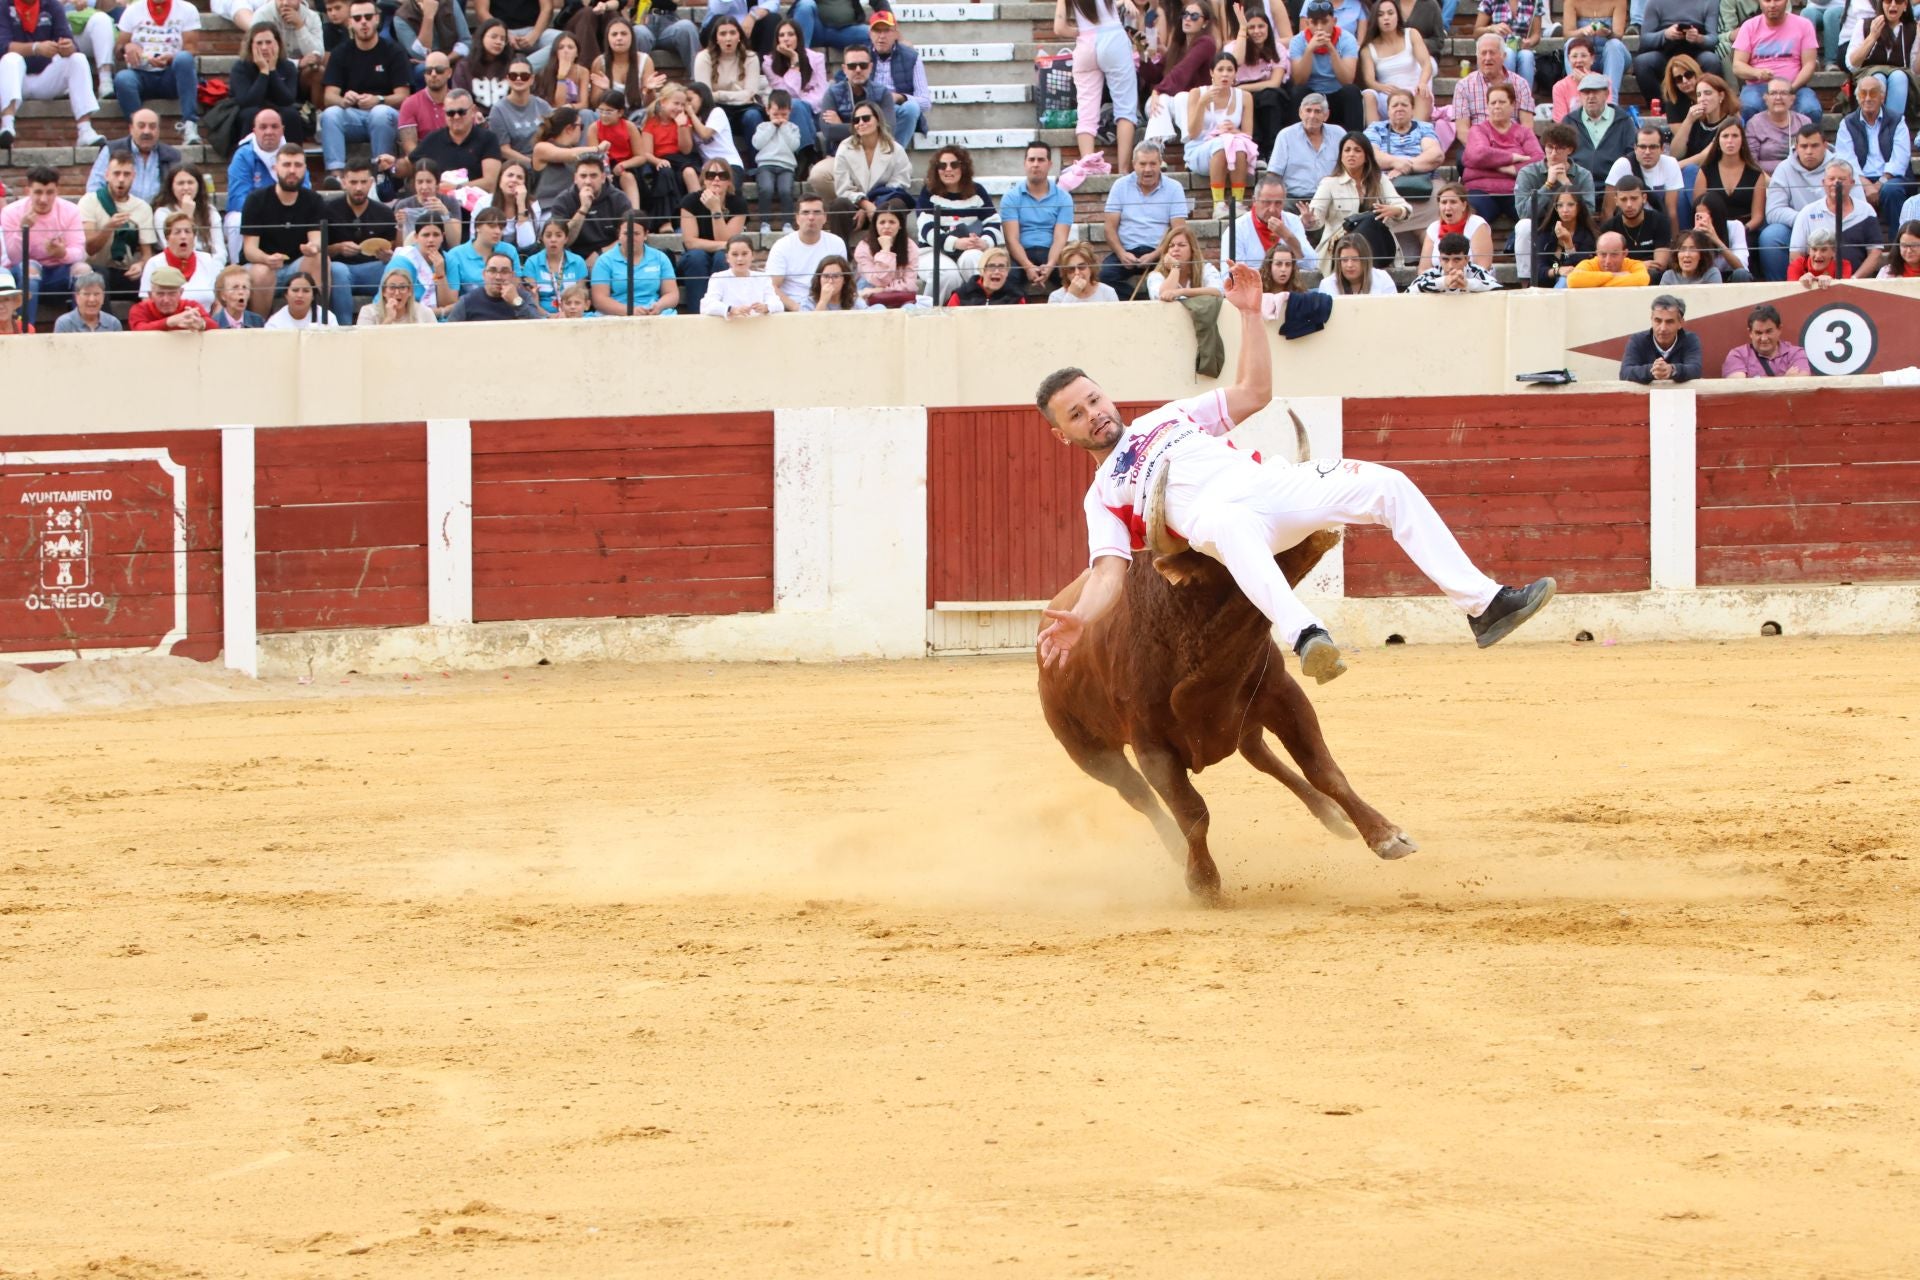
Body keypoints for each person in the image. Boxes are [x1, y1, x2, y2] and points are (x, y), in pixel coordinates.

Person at [1035, 262, 1555, 684]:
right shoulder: (1101, 494)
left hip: (1274, 486)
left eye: (1094, 399)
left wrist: (1249, 314)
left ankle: (1484, 605)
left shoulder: (1167, 415)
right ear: (1063, 434)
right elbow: (1108, 574)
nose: (1095, 414)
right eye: (1076, 414)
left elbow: (1254, 393)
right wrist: (1083, 616)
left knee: (1386, 485)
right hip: (1219, 523)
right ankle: (1307, 636)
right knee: (1229, 524)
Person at [241, 143, 355, 324]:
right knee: (262, 272)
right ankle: (259, 327)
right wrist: (266, 259)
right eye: (286, 165)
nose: (292, 170)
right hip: (262, 267)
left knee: (320, 258)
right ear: (275, 167)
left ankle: (317, 322)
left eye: (297, 165)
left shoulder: (313, 200)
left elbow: (316, 240)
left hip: (296, 267)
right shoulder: (256, 199)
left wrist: (312, 248)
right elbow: (249, 249)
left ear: (305, 169)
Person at [1758, 122, 1868, 278]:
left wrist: (1826, 219)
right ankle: (1783, 288)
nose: (1809, 151)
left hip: (1837, 225)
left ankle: (1844, 284)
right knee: (1771, 235)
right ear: (1796, 147)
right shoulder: (1784, 169)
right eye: (1804, 146)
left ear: (1825, 145)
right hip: (1796, 225)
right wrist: (1806, 219)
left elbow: (1858, 205)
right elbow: (1773, 211)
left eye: (1814, 146)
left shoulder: (1842, 167)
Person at [319, 0, 409, 185]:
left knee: (379, 113)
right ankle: (336, 176)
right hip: (354, 115)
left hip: (385, 114)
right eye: (358, 18)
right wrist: (343, 100)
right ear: (350, 22)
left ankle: (380, 175)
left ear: (377, 19)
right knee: (330, 114)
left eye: (368, 17)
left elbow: (403, 96)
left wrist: (380, 99)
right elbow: (329, 96)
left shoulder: (393, 52)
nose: (363, 22)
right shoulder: (341, 52)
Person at [0, 0, 108, 150]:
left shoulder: (52, 5)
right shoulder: (3, 5)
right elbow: (3, 46)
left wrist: (67, 47)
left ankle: (85, 130)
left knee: (78, 59)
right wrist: (36, 48)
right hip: (16, 80)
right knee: (10, 59)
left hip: (46, 79)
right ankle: (7, 126)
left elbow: (69, 42)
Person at [814, 96, 912, 238]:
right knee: (838, 205)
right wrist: (865, 205)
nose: (860, 123)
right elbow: (843, 187)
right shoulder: (845, 147)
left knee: (897, 203)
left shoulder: (895, 149)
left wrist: (875, 205)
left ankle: (895, 253)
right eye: (856, 120)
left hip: (884, 206)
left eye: (866, 118)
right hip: (856, 207)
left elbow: (900, 183)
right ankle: (841, 256)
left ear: (878, 120)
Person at [1100, 141, 1190, 297]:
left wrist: (1155, 254)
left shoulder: (1174, 188)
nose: (1148, 169)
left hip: (1161, 251)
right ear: (1134, 164)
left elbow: (1178, 231)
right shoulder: (1120, 186)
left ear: (1160, 163)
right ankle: (1138, 302)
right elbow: (1109, 228)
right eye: (1142, 164)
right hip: (1127, 251)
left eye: (1153, 164)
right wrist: (1122, 253)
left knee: (1177, 273)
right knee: (1102, 275)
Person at [1, 166, 86, 328]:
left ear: (57, 191)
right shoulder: (11, 212)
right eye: (38, 192)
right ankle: (25, 330)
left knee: (83, 270)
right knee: (30, 268)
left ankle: (83, 331)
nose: (44, 199)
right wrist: (22, 231)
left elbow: (79, 252)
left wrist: (62, 253)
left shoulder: (71, 210)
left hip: (59, 271)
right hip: (23, 272)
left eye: (49, 192)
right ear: (28, 191)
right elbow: (14, 257)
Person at [914, 143, 1002, 300]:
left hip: (968, 247)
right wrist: (955, 243)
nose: (948, 169)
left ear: (963, 167)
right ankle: (932, 316)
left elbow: (994, 222)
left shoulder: (977, 192)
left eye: (954, 164)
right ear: (936, 169)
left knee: (975, 260)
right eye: (942, 165)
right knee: (948, 274)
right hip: (932, 251)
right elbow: (926, 229)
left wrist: (984, 242)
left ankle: (979, 310)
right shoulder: (928, 193)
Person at [1512, 123, 1598, 279]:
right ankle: (1526, 281)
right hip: (1539, 226)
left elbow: (1589, 211)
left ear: (1570, 150)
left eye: (1559, 148)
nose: (1553, 153)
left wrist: (1567, 185)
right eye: (1549, 147)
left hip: (1573, 226)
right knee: (1523, 226)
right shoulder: (1528, 173)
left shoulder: (1583, 175)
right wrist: (1547, 185)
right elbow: (1523, 212)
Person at [1307, 131, 1409, 259]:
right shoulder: (1329, 183)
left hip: (1376, 248)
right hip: (1340, 249)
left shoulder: (1380, 180)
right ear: (1341, 156)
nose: (1351, 154)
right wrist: (1308, 220)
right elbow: (1316, 219)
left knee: (1371, 221)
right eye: (1347, 150)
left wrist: (1396, 210)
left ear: (1366, 156)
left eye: (1357, 150)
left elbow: (1404, 207)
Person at [113, 0, 201, 146]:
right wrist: (127, 47)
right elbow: (117, 51)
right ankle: (138, 131)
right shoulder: (133, 10)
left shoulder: (187, 9)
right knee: (122, 79)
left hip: (171, 75)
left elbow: (191, 50)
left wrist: (172, 58)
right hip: (140, 74)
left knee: (184, 58)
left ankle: (190, 124)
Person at [1833, 75, 1909, 237]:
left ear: (1883, 97)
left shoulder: (1897, 120)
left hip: (1890, 178)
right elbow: (1846, 160)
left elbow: (1900, 158)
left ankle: (1896, 242)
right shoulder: (1847, 123)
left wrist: (1880, 183)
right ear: (1857, 97)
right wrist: (1866, 185)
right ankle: (1859, 244)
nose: (1868, 98)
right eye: (1863, 94)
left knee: (1891, 190)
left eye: (1873, 93)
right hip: (1860, 178)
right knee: (1850, 189)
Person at [78, 149, 156, 306]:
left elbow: (147, 254)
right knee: (101, 276)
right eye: (116, 174)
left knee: (152, 281)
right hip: (94, 269)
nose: (121, 179)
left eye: (126, 174)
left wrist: (140, 265)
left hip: (124, 271)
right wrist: (108, 228)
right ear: (107, 175)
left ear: (133, 176)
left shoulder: (142, 208)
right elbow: (89, 248)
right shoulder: (90, 201)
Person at [1461, 81, 1540, 223]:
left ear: (1512, 105)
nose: (1497, 106)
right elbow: (1479, 154)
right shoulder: (1478, 130)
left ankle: (1511, 245)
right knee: (1474, 219)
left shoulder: (1524, 132)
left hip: (1516, 190)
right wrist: (1515, 157)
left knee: (1531, 218)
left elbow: (1539, 159)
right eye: (1493, 103)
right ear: (1487, 106)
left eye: (1502, 102)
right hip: (1481, 191)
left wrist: (1512, 169)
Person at [225, 109, 297, 263]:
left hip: (289, 213)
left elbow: (304, 192)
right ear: (254, 131)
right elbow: (238, 199)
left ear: (282, 130)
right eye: (263, 127)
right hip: (254, 216)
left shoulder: (294, 154)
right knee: (237, 220)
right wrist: (269, 214)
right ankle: (238, 269)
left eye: (274, 126)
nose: (269, 132)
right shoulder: (243, 155)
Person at [1002, 142, 1074, 294]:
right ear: (1025, 163)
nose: (1035, 164)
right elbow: (1011, 240)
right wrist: (1028, 266)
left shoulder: (1063, 198)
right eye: (1031, 160)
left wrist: (1050, 265)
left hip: (1052, 252)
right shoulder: (1011, 197)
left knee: (1075, 278)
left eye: (1041, 160)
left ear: (1049, 164)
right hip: (1021, 254)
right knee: (1007, 281)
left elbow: (1060, 238)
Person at [1790, 160, 1884, 275]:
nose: (1836, 183)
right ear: (1823, 182)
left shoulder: (1866, 211)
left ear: (1852, 182)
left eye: (1842, 179)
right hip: (1816, 285)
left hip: (1855, 284)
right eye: (1831, 179)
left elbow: (1875, 252)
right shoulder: (1807, 212)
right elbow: (1795, 254)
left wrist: (1853, 280)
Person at [677, 160, 747, 314]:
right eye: (711, 175)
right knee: (697, 257)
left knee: (721, 257)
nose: (716, 179)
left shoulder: (738, 203)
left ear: (729, 181)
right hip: (694, 258)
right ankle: (698, 314)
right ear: (704, 180)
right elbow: (690, 242)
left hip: (720, 256)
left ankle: (725, 310)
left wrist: (715, 209)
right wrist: (721, 245)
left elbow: (729, 242)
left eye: (722, 176)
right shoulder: (690, 201)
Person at [1731, 0, 1819, 120]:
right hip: (1758, 87)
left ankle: (1806, 139)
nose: (1772, 5)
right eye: (1767, 1)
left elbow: (1809, 64)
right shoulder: (1749, 26)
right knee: (1749, 107)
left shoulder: (1804, 25)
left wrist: (1791, 88)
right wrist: (1758, 73)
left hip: (1795, 87)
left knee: (1811, 109)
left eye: (1777, 0)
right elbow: (1737, 66)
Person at [404, 88, 504, 193]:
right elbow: (408, 164)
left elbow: (490, 183)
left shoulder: (488, 139)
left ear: (473, 111)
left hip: (477, 204)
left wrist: (456, 187)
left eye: (461, 112)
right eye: (450, 113)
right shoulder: (433, 139)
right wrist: (393, 167)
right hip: (439, 204)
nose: (456, 117)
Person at [694, 15, 765, 159]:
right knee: (715, 116)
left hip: (743, 110)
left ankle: (757, 164)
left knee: (753, 116)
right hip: (715, 109)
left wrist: (718, 94)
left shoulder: (751, 57)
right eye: (723, 34)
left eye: (732, 33)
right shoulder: (703, 58)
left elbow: (750, 94)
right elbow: (705, 96)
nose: (728, 38)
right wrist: (735, 95)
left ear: (739, 36)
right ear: (716, 38)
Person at [1219, 170, 1316, 274]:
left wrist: (1289, 238)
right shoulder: (1237, 229)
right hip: (1253, 289)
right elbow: (1230, 276)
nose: (1272, 209)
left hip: (1288, 288)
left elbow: (1311, 265)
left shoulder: (1292, 221)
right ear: (1254, 201)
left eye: (1278, 203)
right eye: (1266, 202)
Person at [1288, 0, 1363, 130]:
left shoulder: (1347, 39)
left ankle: (1355, 140)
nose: (1319, 28)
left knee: (1352, 91)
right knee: (1297, 91)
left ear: (1334, 21)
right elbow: (1299, 80)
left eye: (1324, 22)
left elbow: (1347, 80)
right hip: (1311, 96)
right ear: (1307, 23)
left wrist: (1332, 50)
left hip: (1337, 95)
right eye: (1314, 22)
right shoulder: (1297, 41)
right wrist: (1309, 50)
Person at [1692, 118, 1767, 247]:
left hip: (1745, 231)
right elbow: (1699, 210)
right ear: (1718, 142)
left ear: (1742, 140)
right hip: (1712, 230)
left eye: (1735, 136)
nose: (1730, 141)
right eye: (1725, 136)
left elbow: (1758, 217)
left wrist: (1741, 230)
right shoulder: (1706, 171)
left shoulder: (1756, 174)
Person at [767, 191, 847, 310]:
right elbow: (772, 286)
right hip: (793, 304)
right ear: (797, 218)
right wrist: (797, 308)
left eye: (816, 212)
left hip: (829, 302)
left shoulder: (836, 243)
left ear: (825, 218)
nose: (811, 217)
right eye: (805, 212)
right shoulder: (782, 246)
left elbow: (842, 280)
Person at [586, 213, 677, 315]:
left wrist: (659, 306)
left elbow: (672, 294)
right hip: (616, 314)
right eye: (626, 233)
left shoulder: (660, 258)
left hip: (653, 313)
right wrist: (629, 311)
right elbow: (599, 300)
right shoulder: (604, 261)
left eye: (636, 234)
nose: (631, 238)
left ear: (645, 235)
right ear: (619, 235)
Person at [548, 152, 633, 259]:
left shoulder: (619, 199)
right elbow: (562, 241)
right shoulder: (563, 200)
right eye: (583, 176)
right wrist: (583, 209)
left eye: (593, 176)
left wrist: (600, 254)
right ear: (575, 178)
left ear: (603, 178)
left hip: (610, 256)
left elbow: (630, 237)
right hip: (573, 257)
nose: (587, 181)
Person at [84, 108, 179, 204]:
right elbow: (94, 188)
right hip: (117, 213)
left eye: (152, 127)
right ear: (131, 129)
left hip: (157, 214)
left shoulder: (171, 156)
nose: (146, 131)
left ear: (158, 131)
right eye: (141, 126)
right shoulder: (111, 150)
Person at [1633, 0, 1721, 103]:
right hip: (1665, 51)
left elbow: (1713, 39)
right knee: (1642, 62)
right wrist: (1665, 34)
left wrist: (1699, 38)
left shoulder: (1710, 2)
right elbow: (1645, 39)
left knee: (1711, 60)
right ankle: (1662, 107)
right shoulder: (1654, 2)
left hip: (1696, 52)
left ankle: (1704, 104)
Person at [1363, 87, 1441, 201]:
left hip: (1424, 182)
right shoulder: (1376, 128)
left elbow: (1435, 155)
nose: (1399, 108)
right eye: (1395, 105)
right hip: (1384, 183)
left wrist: (1405, 167)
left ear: (1412, 110)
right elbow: (1370, 155)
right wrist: (1396, 162)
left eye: (1404, 105)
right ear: (1388, 111)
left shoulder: (1424, 127)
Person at [1359, 0, 1432, 122]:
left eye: (1390, 13)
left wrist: (1423, 82)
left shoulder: (1412, 34)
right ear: (1375, 20)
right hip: (1387, 96)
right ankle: (1374, 136)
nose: (1386, 18)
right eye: (1380, 15)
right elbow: (1369, 80)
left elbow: (1426, 64)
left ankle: (1416, 133)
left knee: (1423, 94)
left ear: (1398, 16)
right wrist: (1380, 87)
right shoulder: (1368, 49)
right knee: (1368, 94)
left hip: (1414, 92)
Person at [1267, 92, 1345, 201]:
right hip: (1295, 199)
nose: (1312, 116)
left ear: (1326, 115)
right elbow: (1274, 173)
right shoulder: (1286, 135)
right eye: (1308, 110)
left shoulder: (1339, 134)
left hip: (1331, 200)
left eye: (1318, 111)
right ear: (1300, 112)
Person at [816, 44, 891, 158]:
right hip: (840, 156)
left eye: (863, 65)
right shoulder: (832, 93)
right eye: (852, 66)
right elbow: (829, 131)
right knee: (819, 175)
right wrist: (871, 127)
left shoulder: (882, 93)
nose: (858, 70)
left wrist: (841, 125)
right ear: (844, 69)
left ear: (870, 67)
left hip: (875, 155)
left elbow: (888, 128)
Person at [1845, 0, 1916, 120]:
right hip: (1869, 72)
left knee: (1899, 76)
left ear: (1905, 6)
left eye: (1898, 1)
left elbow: (1915, 70)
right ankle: (1875, 123)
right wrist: (1872, 36)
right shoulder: (1865, 24)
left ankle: (1893, 126)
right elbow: (1851, 64)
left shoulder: (1912, 29)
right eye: (1888, 1)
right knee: (1877, 78)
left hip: (1900, 75)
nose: (1893, 5)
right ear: (1881, 4)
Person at [866, 11, 928, 142]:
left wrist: (900, 98)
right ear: (870, 34)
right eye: (877, 31)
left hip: (898, 111)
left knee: (912, 107)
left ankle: (894, 153)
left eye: (887, 31)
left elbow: (925, 102)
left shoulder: (911, 57)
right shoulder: (862, 56)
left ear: (895, 34)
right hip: (870, 110)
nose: (881, 36)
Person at [1453, 30, 1535, 129]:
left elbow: (1527, 126)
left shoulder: (1521, 84)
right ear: (1477, 57)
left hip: (1512, 142)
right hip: (1479, 142)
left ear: (1503, 56)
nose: (1487, 58)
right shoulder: (1463, 86)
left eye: (1492, 53)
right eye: (1483, 53)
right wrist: (1480, 145)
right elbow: (1462, 130)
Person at [761, 22, 824, 151]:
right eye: (781, 35)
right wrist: (794, 61)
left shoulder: (817, 58)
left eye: (791, 34)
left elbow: (822, 92)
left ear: (798, 37)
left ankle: (806, 154)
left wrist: (803, 103)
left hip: (814, 112)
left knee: (798, 106)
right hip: (787, 114)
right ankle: (809, 152)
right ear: (777, 39)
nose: (786, 38)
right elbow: (786, 95)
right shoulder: (769, 63)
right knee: (796, 105)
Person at [1565, 73, 1635, 185]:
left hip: (1614, 186)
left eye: (1595, 91)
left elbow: (1632, 154)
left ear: (1607, 94)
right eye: (1586, 92)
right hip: (1577, 186)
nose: (1591, 96)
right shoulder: (1569, 121)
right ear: (1580, 95)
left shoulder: (1624, 121)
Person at [1606, 126, 1685, 226]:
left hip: (1657, 225)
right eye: (1642, 147)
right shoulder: (1622, 165)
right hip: (1626, 225)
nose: (1647, 152)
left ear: (1662, 149)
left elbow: (1671, 211)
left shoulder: (1671, 163)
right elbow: (1608, 210)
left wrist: (1673, 240)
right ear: (1635, 148)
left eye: (1653, 147)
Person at [140, 211, 220, 307]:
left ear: (194, 237)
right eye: (177, 232)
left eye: (187, 231)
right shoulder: (154, 263)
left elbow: (218, 302)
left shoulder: (207, 259)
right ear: (167, 238)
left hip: (204, 320)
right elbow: (147, 303)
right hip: (169, 321)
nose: (183, 236)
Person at [1618, 293, 1702, 382]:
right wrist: (1653, 370)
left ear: (1680, 323)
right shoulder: (1637, 340)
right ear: (1651, 319)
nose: (1663, 328)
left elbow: (1695, 370)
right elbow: (1625, 373)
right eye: (1658, 321)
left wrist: (1672, 370)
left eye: (1669, 322)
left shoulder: (1690, 339)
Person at [1601, 174, 1675, 273]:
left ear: (1644, 198)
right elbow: (1607, 265)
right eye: (1623, 199)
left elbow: (1659, 265)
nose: (1629, 205)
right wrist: (1641, 265)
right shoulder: (1609, 227)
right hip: (1620, 279)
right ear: (1616, 201)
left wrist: (1628, 267)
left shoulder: (1659, 221)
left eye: (1634, 198)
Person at [701, 234, 785, 315]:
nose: (740, 259)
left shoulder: (762, 278)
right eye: (735, 254)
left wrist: (766, 307)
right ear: (727, 258)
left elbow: (778, 304)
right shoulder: (718, 278)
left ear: (752, 256)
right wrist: (731, 309)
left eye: (744, 254)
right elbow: (707, 305)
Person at [490, 57, 552, 168]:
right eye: (513, 76)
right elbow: (504, 150)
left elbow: (553, 138)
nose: (518, 79)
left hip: (544, 161)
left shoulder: (543, 106)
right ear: (507, 79)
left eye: (524, 76)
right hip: (515, 165)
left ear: (532, 79)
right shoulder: (498, 110)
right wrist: (532, 163)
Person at [444, 205, 519, 295]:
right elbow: (452, 295)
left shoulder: (509, 250)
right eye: (492, 226)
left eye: (501, 228)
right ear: (477, 227)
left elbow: (516, 286)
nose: (498, 231)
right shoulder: (455, 254)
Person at [448, 249, 545, 318]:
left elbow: (537, 327)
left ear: (512, 276)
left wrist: (517, 302)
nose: (498, 277)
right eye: (492, 271)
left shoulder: (523, 297)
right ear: (484, 274)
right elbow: (450, 333)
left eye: (504, 272)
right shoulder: (467, 301)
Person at [852, 205, 919, 305]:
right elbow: (879, 281)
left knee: (910, 309)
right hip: (868, 291)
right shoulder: (863, 247)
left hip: (897, 294)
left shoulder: (910, 247)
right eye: (882, 222)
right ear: (875, 225)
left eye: (892, 222)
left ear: (900, 225)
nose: (887, 226)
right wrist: (885, 251)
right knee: (878, 309)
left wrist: (881, 290)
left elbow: (909, 285)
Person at [1721, 302, 1810, 375]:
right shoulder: (1737, 355)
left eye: (1769, 331)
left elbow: (1802, 380)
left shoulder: (1796, 353)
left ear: (1779, 329)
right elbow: (1739, 389)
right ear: (1750, 333)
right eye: (1758, 333)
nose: (1764, 338)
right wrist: (1785, 380)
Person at [1474, 0, 1547, 89]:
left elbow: (1536, 35)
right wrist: (1492, 28)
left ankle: (1525, 98)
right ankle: (1503, 94)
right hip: (1496, 48)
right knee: (1509, 53)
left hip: (1521, 47)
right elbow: (1476, 33)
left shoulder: (1534, 2)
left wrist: (1530, 42)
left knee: (1527, 55)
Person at [1533, 188, 1600, 285]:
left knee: (1565, 279)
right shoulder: (1545, 233)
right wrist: (1558, 271)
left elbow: (1580, 271)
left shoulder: (1588, 236)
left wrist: (1568, 244)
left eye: (1570, 205)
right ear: (1555, 208)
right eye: (1560, 205)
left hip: (1576, 289)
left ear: (1579, 207)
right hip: (1545, 290)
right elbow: (1537, 270)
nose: (1565, 210)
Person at [1743, 77, 1808, 174]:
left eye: (1783, 93)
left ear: (1792, 99)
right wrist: (1772, 183)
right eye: (1773, 93)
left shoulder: (1803, 122)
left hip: (1798, 180)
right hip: (1765, 181)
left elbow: (1811, 157)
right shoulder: (1754, 124)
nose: (1778, 98)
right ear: (1765, 98)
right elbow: (1751, 162)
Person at [522, 215, 588, 311]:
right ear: (542, 238)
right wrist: (549, 317)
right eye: (548, 235)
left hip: (572, 315)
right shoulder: (532, 262)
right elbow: (532, 302)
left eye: (558, 235)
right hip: (542, 317)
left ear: (566, 239)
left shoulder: (578, 262)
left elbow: (581, 298)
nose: (553, 240)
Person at [1143, 223, 1224, 300]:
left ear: (1192, 250)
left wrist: (1181, 292)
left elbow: (1218, 291)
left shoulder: (1206, 269)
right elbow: (1162, 296)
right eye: (1171, 246)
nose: (1176, 249)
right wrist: (1175, 267)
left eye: (1182, 245)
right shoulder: (1156, 275)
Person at [1419, 182, 1492, 268]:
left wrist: (1459, 280)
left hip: (1474, 279)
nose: (1448, 207)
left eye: (1453, 202)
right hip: (1440, 280)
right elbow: (1423, 269)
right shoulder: (1433, 228)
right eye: (1444, 202)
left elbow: (1483, 266)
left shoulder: (1477, 224)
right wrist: (1442, 281)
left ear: (1464, 205)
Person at [474, 0, 560, 72]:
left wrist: (534, 34)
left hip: (532, 30)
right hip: (498, 31)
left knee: (563, 41)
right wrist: (504, 33)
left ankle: (522, 70)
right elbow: (482, 11)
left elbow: (547, 8)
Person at [396, 51, 454, 154]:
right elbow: (410, 147)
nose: (433, 74)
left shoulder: (459, 102)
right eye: (428, 71)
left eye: (439, 70)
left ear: (449, 73)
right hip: (423, 162)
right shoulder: (410, 103)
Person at [1409, 231, 1498, 292]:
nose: (1451, 266)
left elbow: (1498, 288)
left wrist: (1467, 284)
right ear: (1439, 259)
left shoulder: (1475, 272)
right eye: (1445, 259)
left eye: (1457, 259)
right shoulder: (1432, 274)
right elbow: (1408, 291)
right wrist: (1442, 282)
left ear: (1466, 259)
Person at [127, 263, 209, 328]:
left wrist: (202, 324)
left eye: (172, 293)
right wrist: (169, 322)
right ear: (150, 294)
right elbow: (138, 329)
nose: (166, 300)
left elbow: (214, 325)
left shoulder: (192, 306)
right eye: (160, 293)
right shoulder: (140, 309)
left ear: (181, 293)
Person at [393, 0, 471, 70]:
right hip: (426, 64)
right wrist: (428, 16)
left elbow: (466, 41)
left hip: (454, 57)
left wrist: (445, 60)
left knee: (469, 65)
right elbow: (420, 54)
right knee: (422, 69)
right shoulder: (401, 17)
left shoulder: (450, 3)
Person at [457, 18, 516, 107]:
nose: (498, 42)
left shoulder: (511, 65)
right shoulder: (464, 66)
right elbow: (459, 98)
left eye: (503, 39)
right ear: (482, 37)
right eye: (494, 37)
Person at [945, 245, 1027, 305]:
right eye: (991, 266)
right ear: (982, 270)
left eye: (1001, 267)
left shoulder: (1016, 297)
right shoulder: (961, 295)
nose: (997, 271)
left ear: (1007, 271)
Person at [1317, 230, 1396, 292]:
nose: (1349, 265)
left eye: (1355, 259)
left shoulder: (1382, 279)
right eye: (1344, 260)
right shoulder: (1327, 285)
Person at [1567, 229, 1652, 285]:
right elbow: (1573, 280)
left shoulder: (1634, 265)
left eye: (1614, 254)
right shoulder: (1589, 264)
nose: (1608, 261)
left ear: (1624, 254)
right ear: (1597, 253)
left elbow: (1642, 279)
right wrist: (1615, 275)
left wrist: (1595, 283)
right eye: (1603, 254)